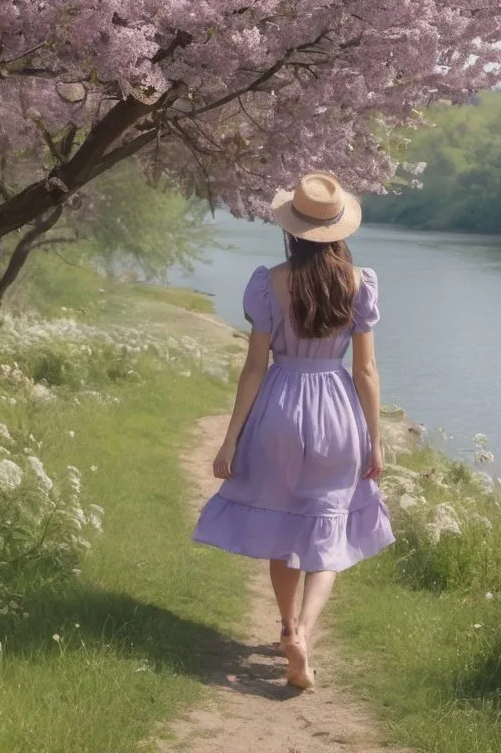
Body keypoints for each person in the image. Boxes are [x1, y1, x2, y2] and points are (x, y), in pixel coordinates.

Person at [192, 172, 395, 691]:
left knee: (284, 530)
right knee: (329, 526)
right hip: (336, 413)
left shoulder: (269, 282)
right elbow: (365, 372)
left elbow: (254, 367)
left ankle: (285, 627)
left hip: (279, 408)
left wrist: (230, 438)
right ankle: (304, 632)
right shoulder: (359, 283)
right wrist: (376, 439)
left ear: (292, 229)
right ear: (339, 228)